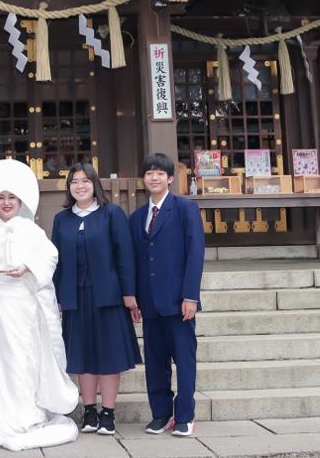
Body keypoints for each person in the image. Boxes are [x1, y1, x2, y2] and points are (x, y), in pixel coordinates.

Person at [0, 158, 79, 451]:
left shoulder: (31, 231)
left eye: (11, 198)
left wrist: (27, 267)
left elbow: (49, 257)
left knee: (21, 358)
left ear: (20, 201)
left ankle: (25, 412)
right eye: (1, 198)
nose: (6, 203)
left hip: (21, 306)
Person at [50, 162, 141, 436]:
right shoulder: (61, 219)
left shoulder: (111, 214)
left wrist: (129, 294)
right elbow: (56, 261)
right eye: (74, 182)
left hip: (108, 297)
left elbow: (125, 256)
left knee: (108, 355)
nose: (80, 186)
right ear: (69, 187)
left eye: (85, 181)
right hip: (74, 297)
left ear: (95, 184)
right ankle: (89, 411)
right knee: (82, 355)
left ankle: (108, 413)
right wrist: (56, 296)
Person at [128, 152, 204, 437]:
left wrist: (190, 296)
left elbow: (195, 254)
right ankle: (161, 413)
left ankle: (184, 415)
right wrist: (133, 297)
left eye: (160, 173)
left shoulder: (184, 208)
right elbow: (135, 259)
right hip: (149, 302)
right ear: (143, 179)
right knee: (156, 362)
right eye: (149, 173)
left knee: (184, 360)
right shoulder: (137, 217)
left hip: (178, 301)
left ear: (170, 178)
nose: (155, 177)